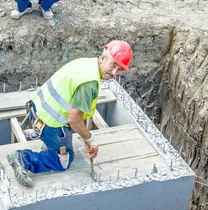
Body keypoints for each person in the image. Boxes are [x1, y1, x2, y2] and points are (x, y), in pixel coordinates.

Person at [7, 40, 133, 187]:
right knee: (63, 161)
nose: (114, 73)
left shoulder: (86, 63)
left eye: (119, 70)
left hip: (36, 109)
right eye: (113, 65)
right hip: (50, 123)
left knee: (66, 134)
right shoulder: (89, 83)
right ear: (103, 57)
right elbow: (74, 119)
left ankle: (40, 134)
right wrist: (90, 139)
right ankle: (23, 158)